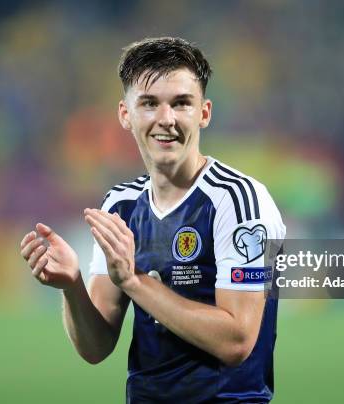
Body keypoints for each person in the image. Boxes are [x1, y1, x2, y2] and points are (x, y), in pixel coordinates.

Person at [20, 37, 286, 403]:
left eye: (181, 103)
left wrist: (133, 281)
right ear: (125, 114)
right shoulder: (120, 204)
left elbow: (237, 341)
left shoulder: (239, 200)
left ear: (204, 113)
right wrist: (73, 286)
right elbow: (95, 348)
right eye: (149, 104)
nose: (166, 119)